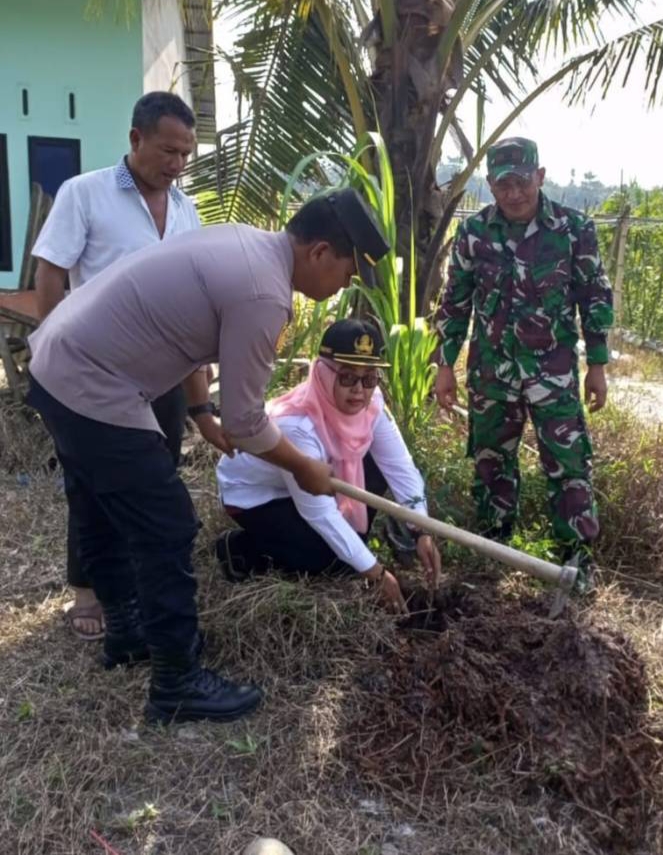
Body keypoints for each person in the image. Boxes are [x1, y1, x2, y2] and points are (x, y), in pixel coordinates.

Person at [26, 187, 390, 724]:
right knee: (168, 525)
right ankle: (177, 682)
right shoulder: (266, 294)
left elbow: (188, 332)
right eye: (347, 272)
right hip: (92, 381)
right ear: (318, 252)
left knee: (98, 506)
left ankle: (128, 633)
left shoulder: (244, 243)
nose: (344, 287)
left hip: (57, 362)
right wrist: (305, 467)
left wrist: (199, 411)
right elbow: (248, 422)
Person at [32, 91, 201, 640]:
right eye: (167, 151)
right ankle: (88, 590)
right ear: (135, 139)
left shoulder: (185, 209)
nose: (176, 165)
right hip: (96, 375)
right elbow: (51, 273)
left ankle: (135, 585)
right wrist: (58, 351)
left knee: (155, 477)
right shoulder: (86, 194)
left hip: (163, 375)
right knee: (90, 483)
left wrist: (201, 395)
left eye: (185, 155)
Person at [434, 137, 613, 591]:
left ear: (540, 176)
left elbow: (595, 298)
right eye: (503, 184)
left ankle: (575, 558)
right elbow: (454, 304)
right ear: (491, 184)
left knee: (569, 466)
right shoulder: (475, 234)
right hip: (492, 374)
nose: (513, 194)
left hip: (551, 375)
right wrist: (443, 365)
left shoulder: (573, 230)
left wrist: (596, 363)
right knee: (492, 462)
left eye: (521, 182)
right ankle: (494, 547)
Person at [215, 319, 441, 611]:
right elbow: (319, 512)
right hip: (256, 496)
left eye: (369, 378)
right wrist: (375, 573)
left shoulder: (371, 404)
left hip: (315, 481)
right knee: (330, 561)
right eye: (347, 377)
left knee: (358, 520)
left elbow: (400, 465)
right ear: (322, 374)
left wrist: (420, 528)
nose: (359, 390)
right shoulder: (297, 426)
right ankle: (241, 550)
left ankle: (341, 545)